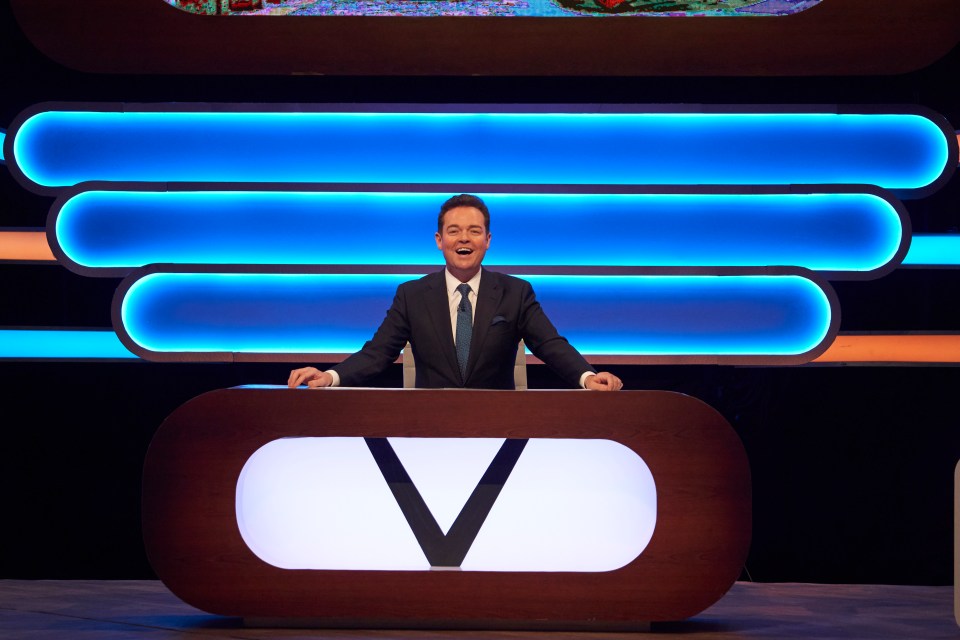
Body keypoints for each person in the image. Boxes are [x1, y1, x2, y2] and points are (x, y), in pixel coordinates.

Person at [288, 194, 623, 391]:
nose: (464, 239)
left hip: (500, 430)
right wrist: (330, 376)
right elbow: (377, 353)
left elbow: (551, 345)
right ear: (439, 241)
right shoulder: (412, 295)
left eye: (474, 231)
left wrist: (587, 377)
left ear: (488, 241)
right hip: (429, 430)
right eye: (454, 231)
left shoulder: (515, 292)